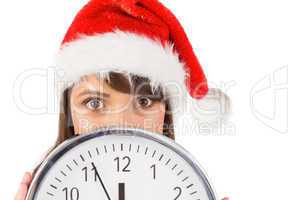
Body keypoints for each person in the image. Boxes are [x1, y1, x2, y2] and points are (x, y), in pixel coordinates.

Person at [15, 0, 231, 199]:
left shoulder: (185, 185)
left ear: (166, 111)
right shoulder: (48, 187)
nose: (120, 122)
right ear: (69, 110)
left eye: (144, 101)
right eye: (94, 103)